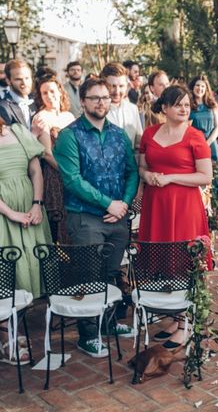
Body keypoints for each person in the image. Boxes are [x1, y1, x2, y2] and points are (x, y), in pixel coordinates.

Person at [54, 77, 138, 358]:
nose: (102, 102)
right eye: (95, 98)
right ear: (82, 102)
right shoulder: (70, 136)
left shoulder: (118, 134)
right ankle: (87, 335)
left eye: (105, 97)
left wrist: (124, 204)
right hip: (86, 217)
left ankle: (109, 324)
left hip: (118, 218)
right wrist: (108, 204)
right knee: (89, 276)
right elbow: (73, 180)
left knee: (111, 274)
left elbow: (132, 172)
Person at [138, 85, 213, 348]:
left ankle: (185, 325)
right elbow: (143, 167)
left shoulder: (195, 136)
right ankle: (174, 316)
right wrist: (149, 176)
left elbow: (206, 176)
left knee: (182, 259)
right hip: (156, 204)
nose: (184, 109)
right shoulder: (149, 134)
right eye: (178, 104)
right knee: (162, 258)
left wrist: (170, 178)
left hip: (184, 207)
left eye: (187, 105)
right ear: (165, 108)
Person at [0, 118, 52, 364]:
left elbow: (35, 171)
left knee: (27, 269)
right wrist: (10, 213)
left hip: (30, 212)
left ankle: (16, 328)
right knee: (6, 274)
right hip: (4, 215)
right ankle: (7, 336)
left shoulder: (19, 131)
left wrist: (37, 204)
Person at [31, 75, 75, 243]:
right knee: (58, 220)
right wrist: (68, 172)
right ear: (40, 96)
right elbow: (47, 154)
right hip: (55, 173)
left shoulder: (69, 116)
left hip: (73, 172)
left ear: (60, 92)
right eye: (44, 93)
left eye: (52, 91)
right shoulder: (41, 117)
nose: (49, 96)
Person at [102, 62, 143, 151]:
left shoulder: (133, 109)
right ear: (103, 85)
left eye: (121, 86)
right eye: (112, 86)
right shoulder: (96, 109)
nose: (117, 91)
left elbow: (138, 144)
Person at [188, 75, 218, 162]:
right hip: (193, 144)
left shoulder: (212, 105)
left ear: (206, 89)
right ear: (193, 87)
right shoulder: (188, 105)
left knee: (212, 171)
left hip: (210, 142)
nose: (200, 88)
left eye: (203, 86)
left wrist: (207, 144)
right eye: (197, 85)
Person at [0, 60, 36, 129]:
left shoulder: (38, 102)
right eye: (18, 79)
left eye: (27, 78)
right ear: (8, 81)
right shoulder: (3, 108)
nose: (24, 83)